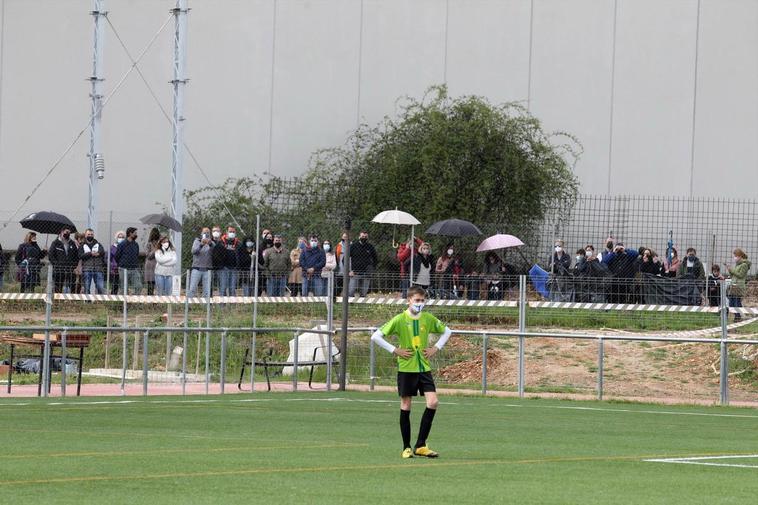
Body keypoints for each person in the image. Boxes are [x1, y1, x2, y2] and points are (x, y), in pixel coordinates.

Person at [370, 286, 453, 459]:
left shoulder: (428, 319)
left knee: (433, 402)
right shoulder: (399, 319)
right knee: (406, 405)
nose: (420, 304)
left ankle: (421, 445)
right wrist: (395, 350)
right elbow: (376, 336)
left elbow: (447, 331)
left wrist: (436, 347)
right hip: (406, 368)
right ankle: (406, 447)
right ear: (409, 301)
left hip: (424, 368)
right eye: (416, 300)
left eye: (422, 301)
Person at [48, 227, 79, 293]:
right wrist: (56, 264)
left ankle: (71, 299)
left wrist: (74, 266)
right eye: (66, 232)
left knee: (72, 285)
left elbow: (76, 256)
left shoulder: (72, 243)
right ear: (62, 232)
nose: (68, 234)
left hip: (70, 268)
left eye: (69, 233)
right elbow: (51, 255)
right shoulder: (55, 243)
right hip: (59, 269)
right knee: (58, 285)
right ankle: (57, 300)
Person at [349, 231, 378, 297]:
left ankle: (361, 305)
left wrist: (371, 269)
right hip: (355, 272)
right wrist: (349, 270)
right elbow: (345, 259)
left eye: (365, 237)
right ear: (359, 237)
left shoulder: (370, 247)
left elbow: (375, 259)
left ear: (367, 237)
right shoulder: (353, 246)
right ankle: (350, 304)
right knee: (351, 290)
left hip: (366, 273)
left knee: (364, 292)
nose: (364, 238)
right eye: (362, 236)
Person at [188, 227, 215, 298]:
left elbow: (215, 252)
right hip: (197, 269)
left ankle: (205, 308)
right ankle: (189, 306)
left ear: (210, 234)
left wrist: (210, 244)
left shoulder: (212, 243)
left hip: (207, 270)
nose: (206, 234)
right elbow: (193, 251)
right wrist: (201, 245)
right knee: (192, 289)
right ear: (201, 233)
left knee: (206, 291)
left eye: (208, 233)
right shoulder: (197, 241)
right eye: (204, 232)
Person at [725, 248, 750, 321]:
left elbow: (741, 275)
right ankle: (738, 316)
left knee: (736, 302)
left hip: (739, 286)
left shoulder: (744, 265)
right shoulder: (737, 265)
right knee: (731, 303)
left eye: (735, 255)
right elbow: (734, 276)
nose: (734, 257)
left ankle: (738, 316)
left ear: (740, 256)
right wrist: (729, 270)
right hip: (733, 285)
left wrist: (732, 270)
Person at [114, 227, 142, 294]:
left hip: (134, 269)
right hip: (123, 269)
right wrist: (121, 264)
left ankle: (134, 301)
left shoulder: (136, 245)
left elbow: (136, 255)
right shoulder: (122, 244)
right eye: (135, 233)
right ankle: (124, 303)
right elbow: (117, 256)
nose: (136, 235)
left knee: (139, 286)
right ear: (130, 233)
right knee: (124, 288)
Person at [215, 226, 241, 296]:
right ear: (226, 232)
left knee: (232, 289)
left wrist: (238, 266)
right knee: (223, 288)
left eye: (233, 232)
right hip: (223, 268)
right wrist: (220, 266)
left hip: (234, 268)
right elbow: (217, 255)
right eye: (230, 231)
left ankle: (233, 306)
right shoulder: (221, 242)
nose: (232, 233)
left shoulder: (238, 243)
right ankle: (222, 306)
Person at [78, 228, 105, 294]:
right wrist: (90, 253)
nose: (90, 235)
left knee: (100, 287)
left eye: (91, 234)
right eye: (88, 234)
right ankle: (87, 301)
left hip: (98, 268)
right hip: (87, 268)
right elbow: (80, 255)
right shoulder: (82, 245)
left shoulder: (98, 244)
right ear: (85, 235)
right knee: (87, 287)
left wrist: (98, 253)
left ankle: (100, 301)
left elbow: (102, 252)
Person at [143, 227, 160, 296]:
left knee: (158, 284)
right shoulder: (149, 244)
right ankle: (150, 299)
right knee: (150, 284)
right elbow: (148, 256)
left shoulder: (160, 243)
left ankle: (156, 301)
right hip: (150, 266)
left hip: (158, 265)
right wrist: (155, 250)